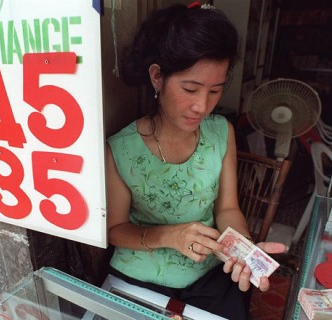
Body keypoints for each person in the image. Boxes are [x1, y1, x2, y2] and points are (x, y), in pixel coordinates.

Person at [105, 3, 286, 319]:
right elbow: (116, 229)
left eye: (215, 91)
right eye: (190, 89)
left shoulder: (220, 132)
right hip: (140, 279)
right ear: (158, 77)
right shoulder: (120, 149)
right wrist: (169, 235)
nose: (202, 106)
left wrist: (242, 249)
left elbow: (227, 209)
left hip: (209, 277)